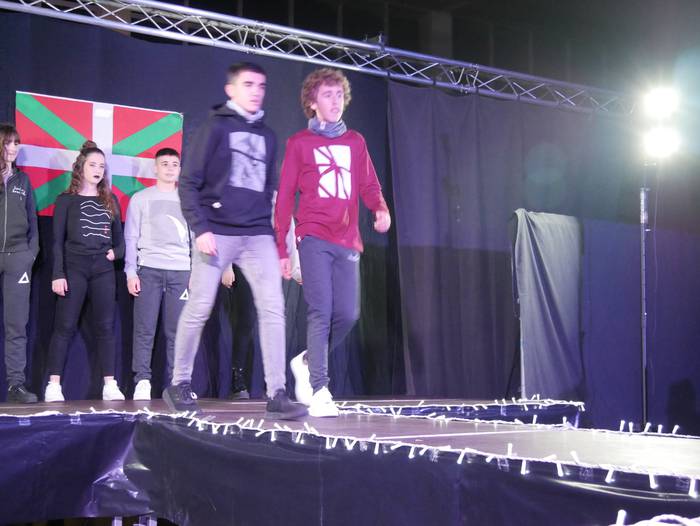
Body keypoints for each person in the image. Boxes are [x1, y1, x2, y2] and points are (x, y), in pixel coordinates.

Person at [163, 62, 306, 419]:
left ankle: (277, 392)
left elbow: (270, 190)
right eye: (248, 84)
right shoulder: (215, 127)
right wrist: (201, 228)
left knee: (273, 308)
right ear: (231, 89)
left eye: (261, 85)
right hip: (217, 231)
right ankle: (179, 383)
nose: (256, 91)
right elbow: (188, 183)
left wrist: (277, 242)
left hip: (257, 233)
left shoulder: (269, 136)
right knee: (199, 306)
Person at [275, 68, 391, 417]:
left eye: (339, 94)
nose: (335, 101)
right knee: (320, 310)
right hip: (312, 235)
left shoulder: (355, 141)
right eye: (327, 95)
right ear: (312, 102)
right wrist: (282, 249)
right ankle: (320, 389)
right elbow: (285, 197)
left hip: (347, 239)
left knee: (348, 314)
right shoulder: (299, 143)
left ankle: (307, 361)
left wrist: (380, 208)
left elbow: (368, 184)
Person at [45, 141, 126, 402]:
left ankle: (110, 384)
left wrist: (115, 254)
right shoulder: (66, 201)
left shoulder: (110, 200)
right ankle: (53, 385)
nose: (98, 170)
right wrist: (58, 274)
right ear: (81, 167)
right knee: (64, 326)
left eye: (102, 166)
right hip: (74, 268)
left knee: (105, 327)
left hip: (103, 270)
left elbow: (120, 242)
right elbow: (56, 242)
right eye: (93, 165)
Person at [124, 148, 190, 400]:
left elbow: (197, 239)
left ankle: (178, 384)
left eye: (174, 164)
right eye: (164, 163)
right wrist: (131, 271)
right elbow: (131, 237)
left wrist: (196, 273)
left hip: (181, 271)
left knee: (178, 332)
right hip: (149, 270)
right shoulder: (141, 198)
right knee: (144, 329)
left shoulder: (188, 200)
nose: (170, 168)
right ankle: (142, 380)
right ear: (155, 168)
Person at [0, 123, 39, 403]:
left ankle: (16, 385)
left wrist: (30, 255)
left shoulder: (23, 181)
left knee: (16, 326)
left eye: (16, 143)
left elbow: (33, 222)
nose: (13, 148)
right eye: (8, 142)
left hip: (18, 259)